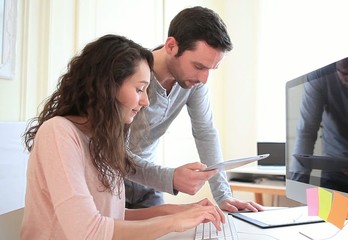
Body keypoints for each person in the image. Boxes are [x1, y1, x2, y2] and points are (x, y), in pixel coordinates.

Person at [21, 34, 225, 240]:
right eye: (139, 89)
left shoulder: (104, 142)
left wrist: (179, 211)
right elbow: (89, 231)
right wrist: (173, 222)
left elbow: (114, 218)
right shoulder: (58, 132)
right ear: (107, 87)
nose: (145, 101)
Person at [125, 6, 263, 212]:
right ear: (171, 46)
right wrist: (170, 178)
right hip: (110, 180)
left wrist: (223, 196)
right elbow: (111, 150)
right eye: (199, 66)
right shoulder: (131, 75)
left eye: (211, 69)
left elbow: (205, 133)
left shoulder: (194, 84)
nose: (204, 79)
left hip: (148, 183)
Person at [289, 47, 348, 199]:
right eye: (344, 74)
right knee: (325, 221)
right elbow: (306, 131)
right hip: (332, 176)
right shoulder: (319, 76)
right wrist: (297, 186)